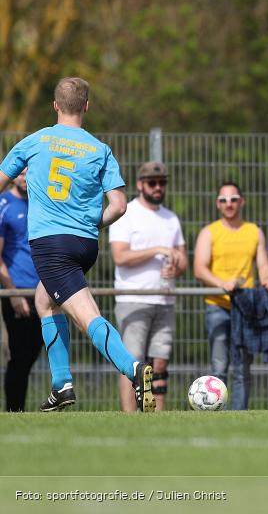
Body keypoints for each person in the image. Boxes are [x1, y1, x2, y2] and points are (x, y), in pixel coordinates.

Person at [0, 77, 154, 412]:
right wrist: (90, 223)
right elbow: (119, 205)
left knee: (87, 317)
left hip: (50, 245)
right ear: (86, 106)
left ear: (55, 105)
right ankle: (61, 385)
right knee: (45, 301)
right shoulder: (100, 149)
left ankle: (134, 369)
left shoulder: (35, 141)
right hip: (85, 244)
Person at [194, 181, 268, 410]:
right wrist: (223, 284)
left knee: (242, 368)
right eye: (223, 200)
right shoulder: (209, 232)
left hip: (245, 307)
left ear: (242, 202)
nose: (229, 204)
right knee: (219, 367)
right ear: (217, 204)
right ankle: (216, 413)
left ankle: (238, 415)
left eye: (233, 199)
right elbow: (200, 269)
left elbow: (263, 265)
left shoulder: (254, 231)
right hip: (217, 305)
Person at [109, 161, 187, 411]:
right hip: (133, 299)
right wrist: (157, 250)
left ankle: (157, 417)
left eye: (162, 182)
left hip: (165, 299)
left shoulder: (171, 218)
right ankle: (129, 415)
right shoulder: (126, 213)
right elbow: (120, 256)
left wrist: (177, 266)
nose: (158, 187)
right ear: (140, 184)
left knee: (160, 363)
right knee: (131, 363)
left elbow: (183, 258)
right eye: (152, 182)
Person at [0, 171, 43, 411]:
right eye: (22, 174)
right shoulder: (4, 204)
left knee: (32, 353)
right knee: (18, 355)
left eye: (30, 173)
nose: (26, 178)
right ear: (13, 176)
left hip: (42, 292)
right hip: (16, 291)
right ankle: (13, 410)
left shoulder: (41, 204)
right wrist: (13, 293)